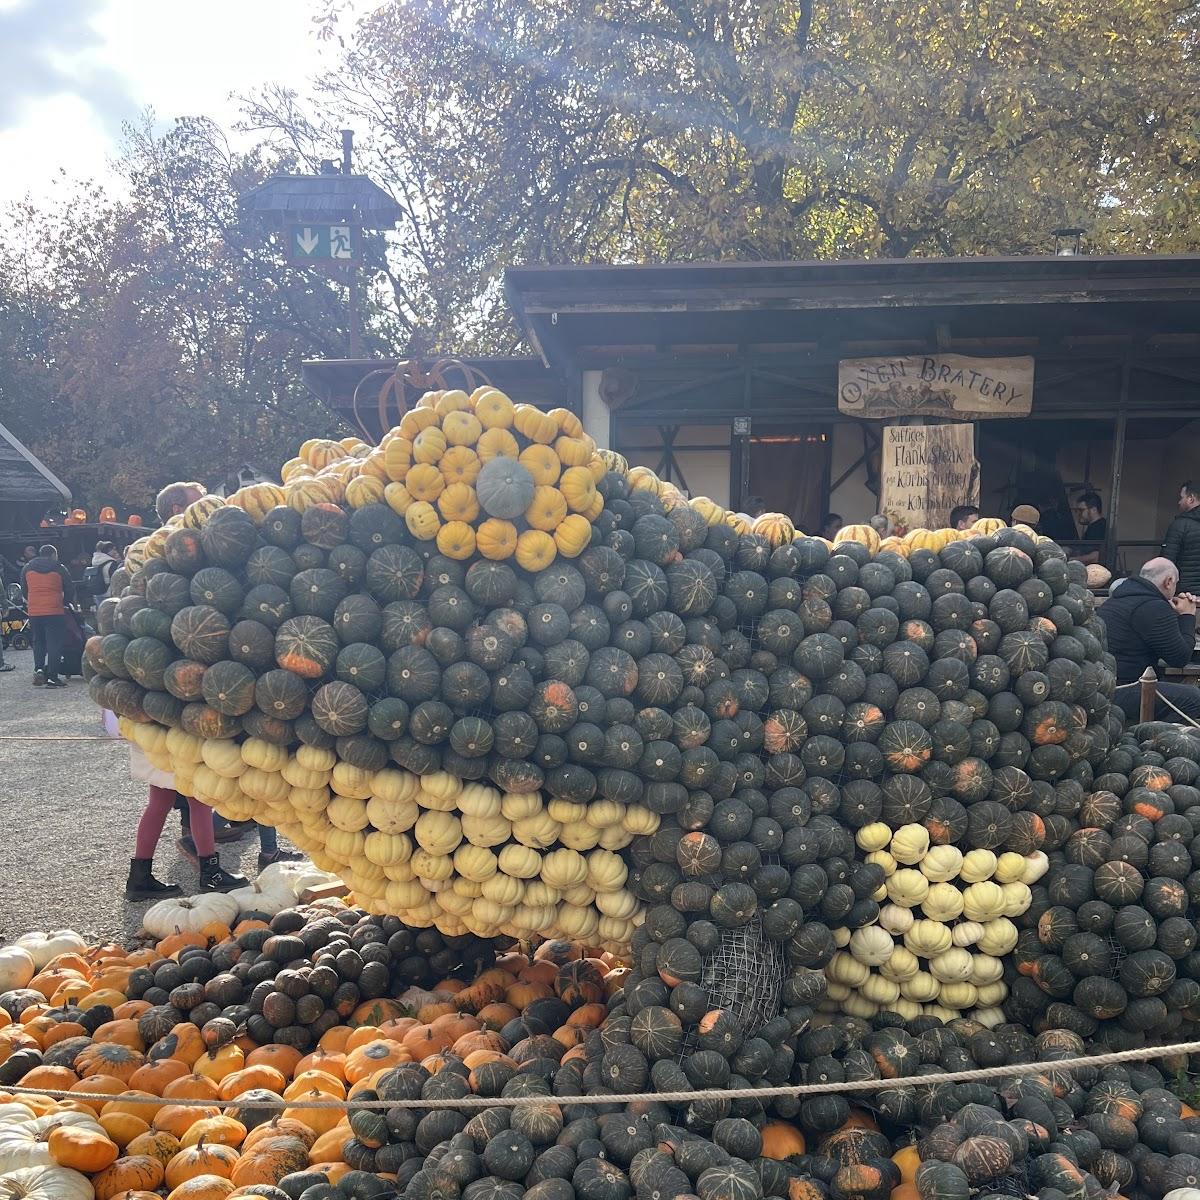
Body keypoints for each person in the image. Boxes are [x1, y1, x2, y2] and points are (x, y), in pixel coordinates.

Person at [123, 736, 248, 898]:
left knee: (159, 802)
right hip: (180, 738)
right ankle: (211, 875)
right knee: (200, 799)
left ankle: (139, 879)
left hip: (151, 735)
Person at [1097, 557, 1200, 723]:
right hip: (1123, 689)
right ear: (1169, 581)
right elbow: (1180, 658)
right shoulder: (1152, 607)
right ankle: (1153, 739)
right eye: (1176, 584)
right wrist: (1187, 616)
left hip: (1106, 686)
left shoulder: (1121, 598)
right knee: (1193, 698)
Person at [21, 544, 73, 687]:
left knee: (38, 641)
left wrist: (33, 601)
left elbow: (24, 590)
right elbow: (69, 588)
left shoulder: (27, 567)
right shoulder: (59, 567)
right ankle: (52, 676)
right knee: (54, 643)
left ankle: (38, 669)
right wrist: (66, 602)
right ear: (53, 554)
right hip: (54, 611)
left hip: (35, 611)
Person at [1162, 481, 1200, 595]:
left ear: (1191, 498)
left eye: (1181, 497)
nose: (1179, 502)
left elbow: (1167, 563)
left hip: (1184, 594)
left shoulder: (1180, 525)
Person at [1072, 491, 1107, 565]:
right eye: (1077, 510)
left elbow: (1095, 556)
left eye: (1081, 510)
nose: (1078, 514)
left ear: (1094, 510)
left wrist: (1071, 559)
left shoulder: (1099, 528)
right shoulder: (1093, 527)